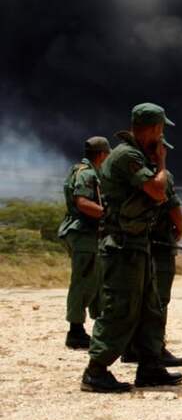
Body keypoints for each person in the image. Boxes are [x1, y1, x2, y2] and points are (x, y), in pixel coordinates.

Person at [81, 103, 182, 393]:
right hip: (121, 247)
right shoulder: (127, 156)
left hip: (138, 244)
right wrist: (162, 163)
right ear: (152, 128)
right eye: (161, 128)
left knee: (150, 306)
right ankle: (95, 371)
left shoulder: (137, 155)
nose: (162, 135)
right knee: (119, 308)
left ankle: (150, 367)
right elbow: (157, 191)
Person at [122, 170, 182, 367]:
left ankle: (132, 348)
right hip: (160, 246)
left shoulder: (126, 172)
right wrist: (180, 229)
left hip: (132, 243)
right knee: (158, 300)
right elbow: (172, 206)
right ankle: (154, 348)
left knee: (136, 297)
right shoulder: (160, 175)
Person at [58, 136, 110, 349]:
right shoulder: (87, 174)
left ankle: (98, 328)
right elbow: (83, 202)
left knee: (96, 280)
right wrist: (109, 215)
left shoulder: (81, 170)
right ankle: (75, 332)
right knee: (83, 281)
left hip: (88, 234)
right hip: (83, 234)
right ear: (101, 155)